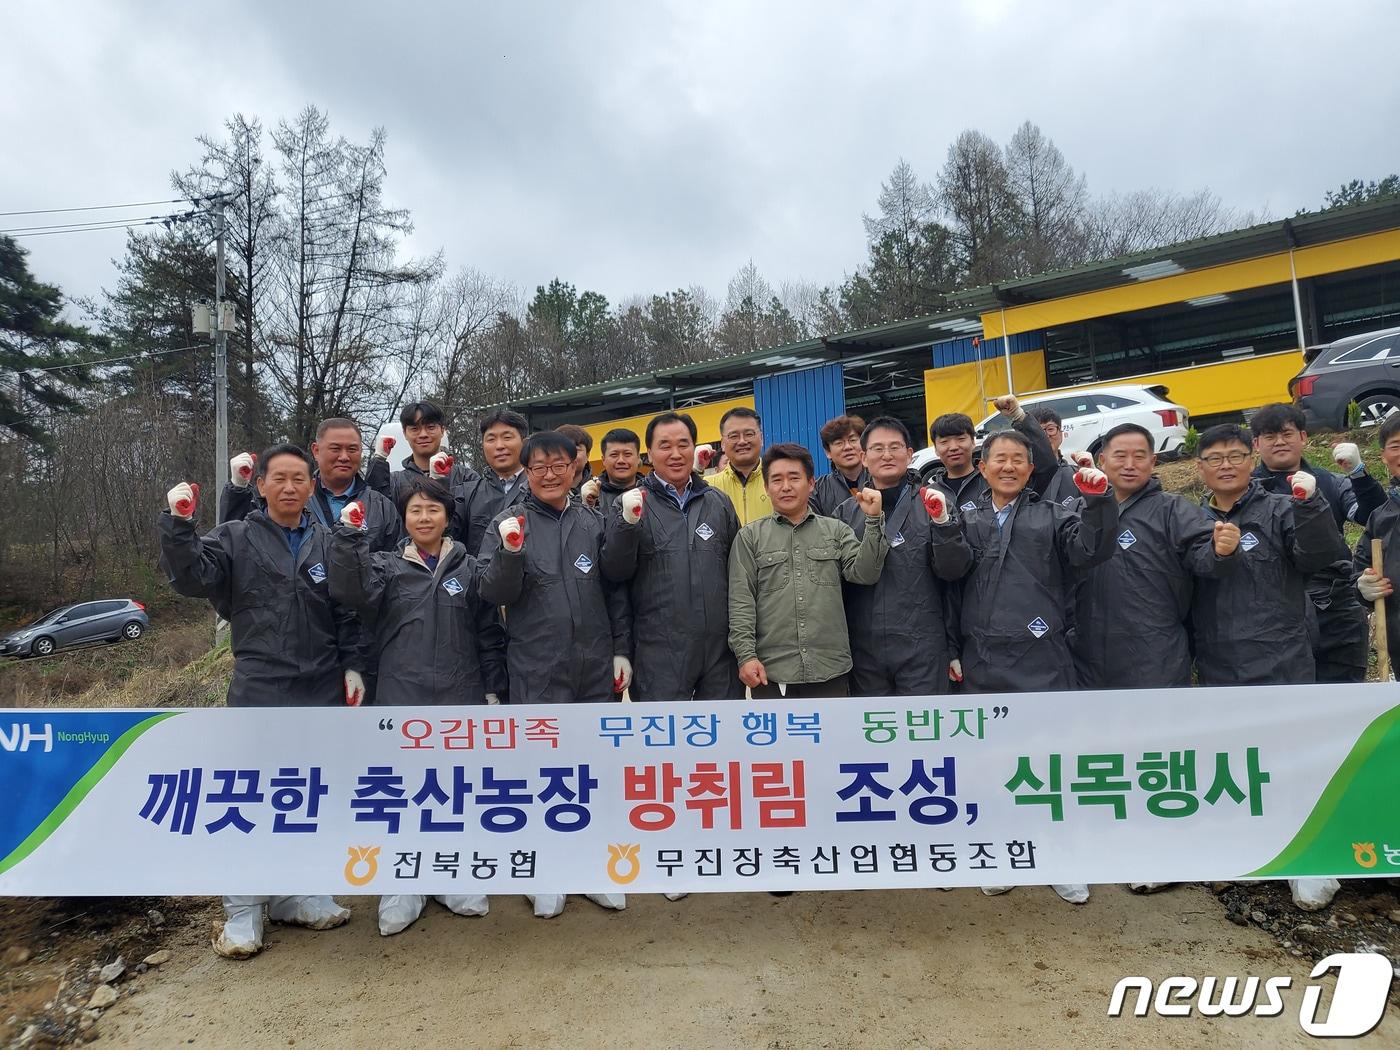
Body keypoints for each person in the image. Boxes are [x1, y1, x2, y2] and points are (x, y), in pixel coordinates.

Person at [157, 444, 362, 958]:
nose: (290, 487)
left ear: (312, 486)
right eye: (280, 478)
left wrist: (355, 665)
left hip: (320, 685)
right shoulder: (236, 537)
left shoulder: (327, 541)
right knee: (250, 797)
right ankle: (243, 911)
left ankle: (300, 892)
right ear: (263, 485)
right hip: (260, 686)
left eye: (299, 479)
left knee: (310, 795)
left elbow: (347, 613)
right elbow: (190, 578)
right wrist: (180, 524)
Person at [329, 473, 506, 936]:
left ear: (448, 517)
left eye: (433, 509)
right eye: (415, 510)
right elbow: (349, 591)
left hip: (460, 694)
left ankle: (453, 874)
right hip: (401, 696)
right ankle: (402, 883)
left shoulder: (469, 568)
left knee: (455, 789)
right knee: (403, 791)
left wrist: (492, 689)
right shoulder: (386, 566)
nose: (424, 517)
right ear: (404, 519)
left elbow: (489, 633)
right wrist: (349, 538)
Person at [1192, 422, 1349, 913]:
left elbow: (1321, 554)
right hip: (1219, 660)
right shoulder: (1191, 518)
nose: (1226, 465)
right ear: (1200, 469)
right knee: (1233, 764)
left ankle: (1308, 859)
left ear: (1251, 458)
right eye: (1215, 458)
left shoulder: (1281, 506)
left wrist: (1311, 504)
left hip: (1282, 656)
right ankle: (1244, 849)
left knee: (1291, 759)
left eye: (1235, 455)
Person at [477, 429, 630, 917]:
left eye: (558, 465)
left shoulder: (592, 519)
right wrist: (510, 552)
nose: (549, 474)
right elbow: (492, 593)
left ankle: (591, 868)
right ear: (525, 470)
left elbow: (616, 591)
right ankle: (543, 870)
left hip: (592, 665)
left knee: (592, 769)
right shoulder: (507, 522)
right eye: (538, 466)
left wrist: (620, 650)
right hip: (536, 668)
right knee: (542, 772)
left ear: (575, 468)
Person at [1073, 423, 1239, 691]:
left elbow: (1203, 556)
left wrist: (1221, 550)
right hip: (1086, 652)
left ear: (1153, 462)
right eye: (1120, 456)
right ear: (1102, 461)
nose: (1129, 464)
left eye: (1139, 457)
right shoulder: (1079, 510)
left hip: (1155, 654)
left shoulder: (1173, 510)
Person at [600, 411, 743, 700]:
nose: (675, 454)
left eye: (683, 444)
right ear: (649, 454)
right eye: (665, 446)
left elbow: (739, 574)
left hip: (719, 650)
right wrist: (627, 524)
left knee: (724, 737)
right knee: (663, 739)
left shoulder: (718, 503)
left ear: (695, 447)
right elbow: (615, 574)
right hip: (658, 651)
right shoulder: (629, 504)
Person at [728, 442, 889, 698]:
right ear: (767, 487)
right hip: (772, 671)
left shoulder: (836, 531)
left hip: (830, 668)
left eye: (794, 478)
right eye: (777, 480)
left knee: (832, 738)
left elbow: (865, 574)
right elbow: (741, 602)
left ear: (811, 483)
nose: (786, 487)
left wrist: (872, 520)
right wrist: (746, 656)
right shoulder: (749, 538)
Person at [835, 417, 970, 695]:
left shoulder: (933, 503)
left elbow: (954, 571)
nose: (887, 455)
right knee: (875, 729)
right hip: (865, 648)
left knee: (924, 730)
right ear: (863, 457)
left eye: (895, 447)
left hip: (924, 645)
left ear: (910, 454)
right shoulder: (845, 514)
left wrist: (943, 523)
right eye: (877, 448)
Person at [1250, 402, 1384, 683]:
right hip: (1272, 610)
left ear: (1303, 437)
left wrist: (1359, 473)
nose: (1279, 442)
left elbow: (1374, 517)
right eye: (1269, 436)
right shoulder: (1243, 491)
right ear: (1256, 444)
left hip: (1335, 605)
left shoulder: (1330, 482)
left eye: (1287, 434)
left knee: (1344, 697)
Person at [221, 418, 401, 553]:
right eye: (335, 449)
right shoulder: (288, 496)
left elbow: (394, 568)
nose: (344, 457)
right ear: (316, 450)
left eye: (352, 449)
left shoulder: (382, 507)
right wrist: (237, 489)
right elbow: (236, 544)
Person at [924, 399, 1061, 514]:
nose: (953, 447)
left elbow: (1046, 465)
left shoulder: (998, 480)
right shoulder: (929, 494)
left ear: (973, 442)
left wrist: (1018, 417)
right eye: (944, 442)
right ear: (936, 449)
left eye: (961, 439)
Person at [1353, 412, 1400, 675]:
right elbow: (1358, 572)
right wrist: (1363, 586)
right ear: (1384, 456)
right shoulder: (1380, 518)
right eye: (1396, 446)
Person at [450, 409, 530, 557]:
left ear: (524, 443)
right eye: (491, 439)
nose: (499, 446)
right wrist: (439, 482)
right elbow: (446, 536)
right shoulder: (467, 494)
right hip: (480, 577)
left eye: (507, 437)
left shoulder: (540, 490)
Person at [366, 401, 477, 504]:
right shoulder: (394, 482)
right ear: (405, 433)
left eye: (430, 427)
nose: (423, 434)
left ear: (442, 430)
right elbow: (376, 509)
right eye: (415, 429)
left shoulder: (467, 478)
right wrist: (379, 459)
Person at [709, 406, 772, 525]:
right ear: (722, 444)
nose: (742, 441)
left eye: (749, 434)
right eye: (734, 436)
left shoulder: (779, 481)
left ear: (762, 438)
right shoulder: (709, 487)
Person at [1028, 405, 1091, 508]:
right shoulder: (1022, 476)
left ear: (1061, 433)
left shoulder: (1077, 474)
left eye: (1050, 429)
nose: (1045, 436)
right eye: (1038, 432)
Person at [810, 414, 871, 516]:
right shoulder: (817, 491)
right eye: (839, 443)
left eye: (853, 440)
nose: (847, 447)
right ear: (828, 452)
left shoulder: (880, 480)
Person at [582, 427, 642, 512]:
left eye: (627, 454)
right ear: (603, 460)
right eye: (614, 455)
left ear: (638, 458)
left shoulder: (654, 493)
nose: (621, 460)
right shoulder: (589, 496)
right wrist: (587, 507)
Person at [555, 423, 594, 492]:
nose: (569, 456)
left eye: (575, 450)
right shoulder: (538, 494)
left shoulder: (600, 491)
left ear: (587, 455)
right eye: (563, 450)